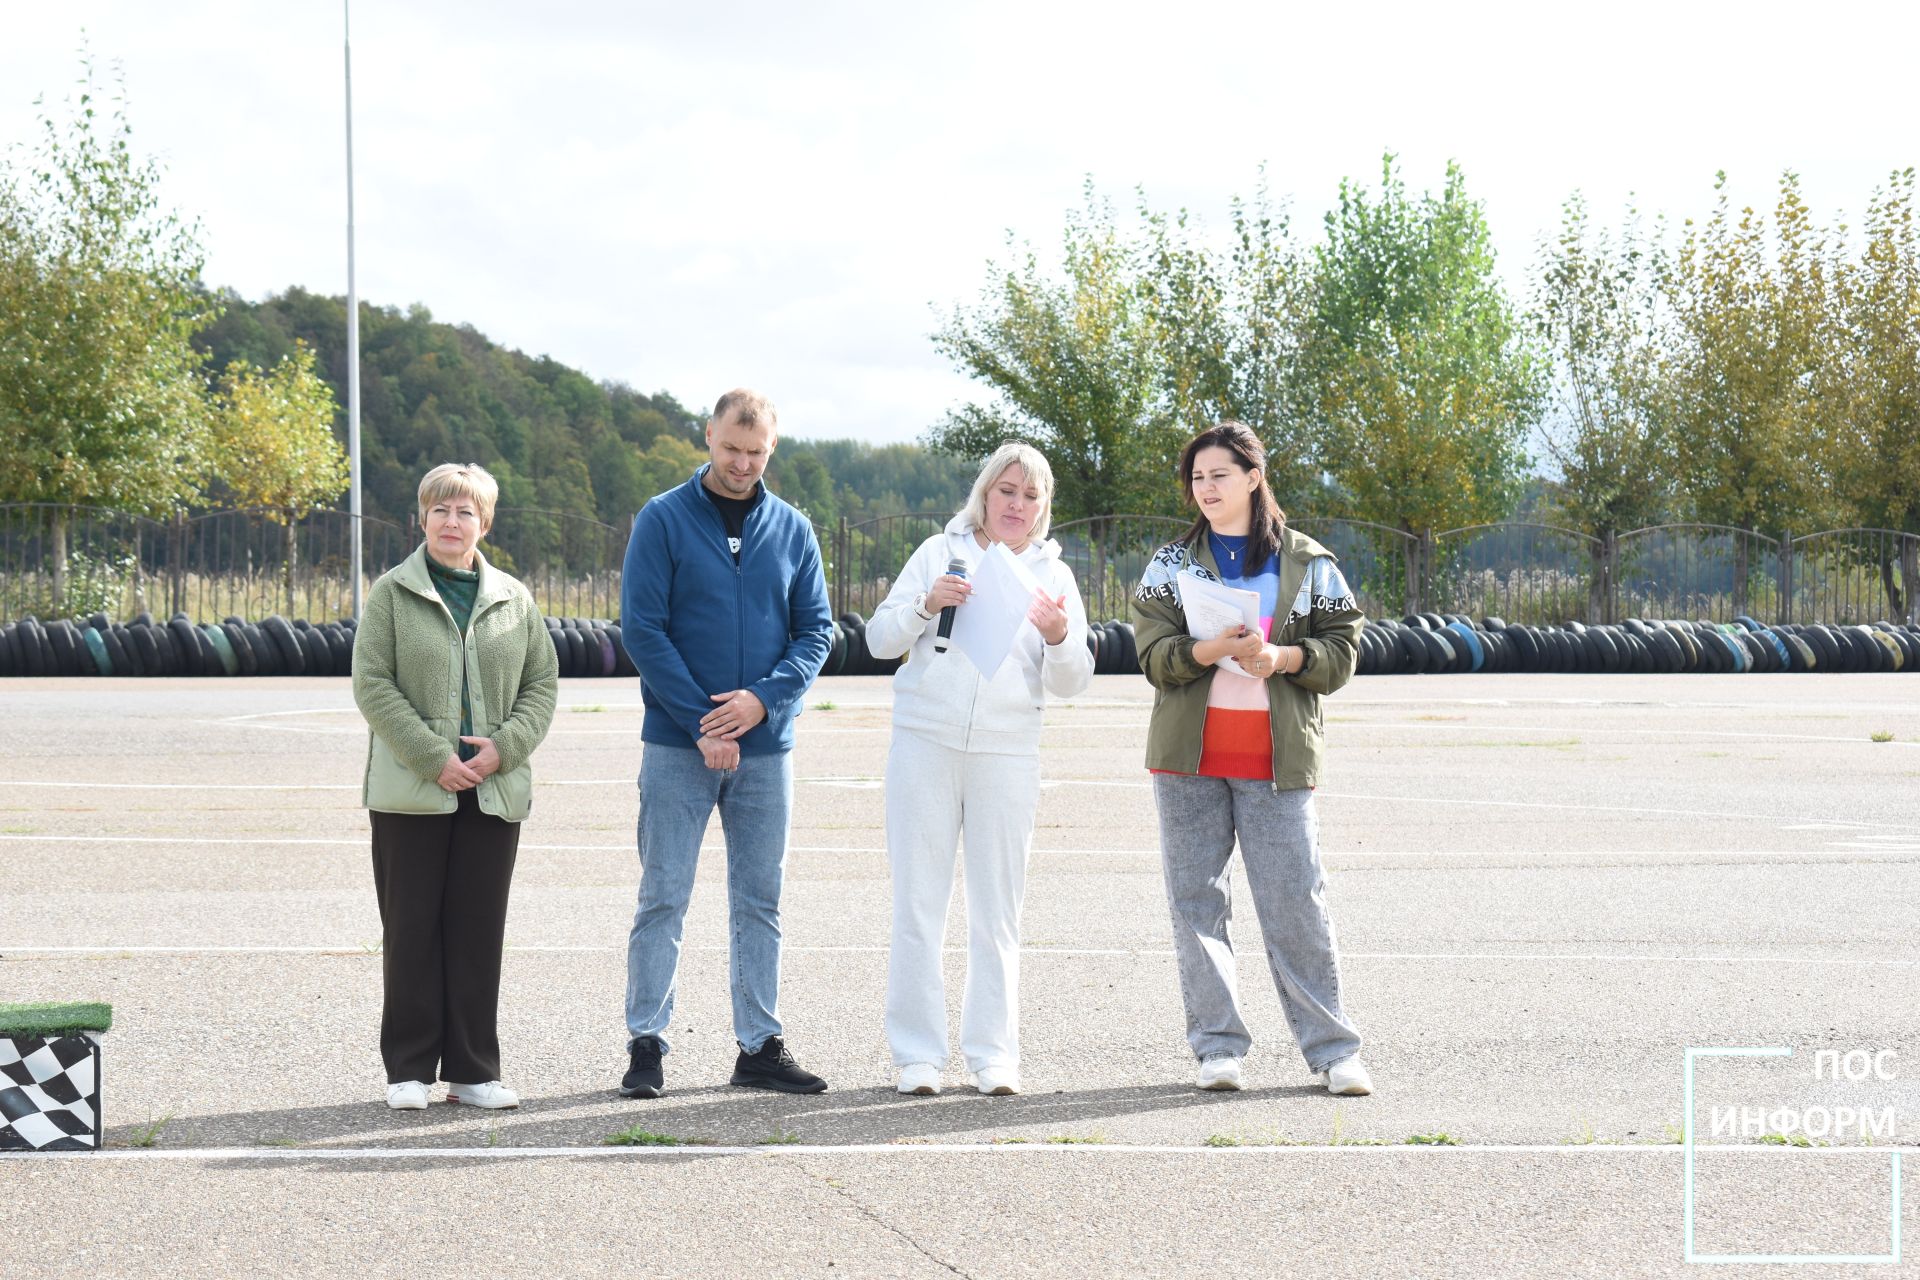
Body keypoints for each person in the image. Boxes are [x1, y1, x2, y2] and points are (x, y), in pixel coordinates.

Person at [1130, 421, 1373, 1096]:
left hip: (1277, 764)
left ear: (1253, 478)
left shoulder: (1311, 563)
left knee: (1296, 902)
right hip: (1188, 762)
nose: (1206, 489)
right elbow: (1153, 657)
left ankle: (1333, 1052)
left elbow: (1343, 651)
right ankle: (1217, 1048)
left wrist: (1282, 659)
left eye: (1220, 475)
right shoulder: (1169, 566)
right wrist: (1207, 650)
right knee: (1196, 904)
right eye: (1197, 478)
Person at [619, 388, 834, 1098]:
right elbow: (644, 629)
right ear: (708, 437)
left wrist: (760, 702)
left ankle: (759, 1046)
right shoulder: (662, 520)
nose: (742, 464)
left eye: (756, 452)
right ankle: (647, 1042)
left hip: (767, 749)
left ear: (771, 447)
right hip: (677, 747)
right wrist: (702, 721)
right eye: (730, 449)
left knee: (760, 900)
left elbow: (816, 632)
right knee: (664, 895)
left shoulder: (795, 529)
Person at [866, 443, 1093, 1098]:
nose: (1017, 505)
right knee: (918, 902)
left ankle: (993, 1054)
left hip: (1007, 751)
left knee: (998, 910)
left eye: (1030, 496)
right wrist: (925, 605)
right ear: (985, 494)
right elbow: (880, 640)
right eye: (1007, 491)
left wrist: (1056, 635)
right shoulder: (938, 554)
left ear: (1043, 508)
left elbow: (1074, 680)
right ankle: (917, 1056)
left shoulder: (1055, 576)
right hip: (925, 743)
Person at [352, 462, 559, 1111]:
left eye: (465, 512)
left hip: (492, 792)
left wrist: (507, 748)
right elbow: (372, 683)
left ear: (484, 522)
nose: (452, 522)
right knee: (411, 929)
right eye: (441, 510)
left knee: (477, 933)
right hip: (413, 791)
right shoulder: (390, 593)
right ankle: (408, 1070)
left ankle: (473, 1070)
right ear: (422, 518)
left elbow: (542, 684)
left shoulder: (515, 599)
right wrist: (431, 756)